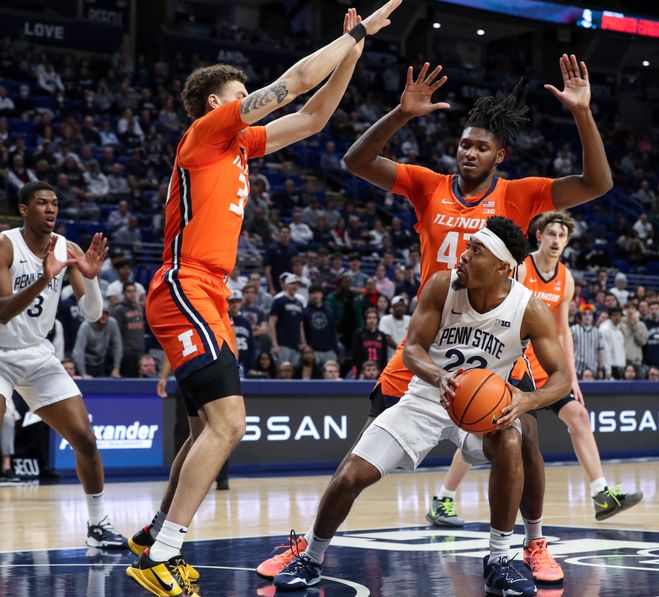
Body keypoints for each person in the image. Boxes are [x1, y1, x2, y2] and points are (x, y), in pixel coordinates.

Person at [258, 52, 613, 577]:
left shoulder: (520, 194)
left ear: (500, 155)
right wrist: (401, 114)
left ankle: (530, 544)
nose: (469, 152)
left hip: (490, 345)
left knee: (526, 436)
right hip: (429, 342)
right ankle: (309, 545)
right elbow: (356, 162)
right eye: (464, 143)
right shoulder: (428, 185)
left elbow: (597, 183)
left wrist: (583, 112)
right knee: (360, 460)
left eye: (481, 147)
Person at [127, 4, 404, 594]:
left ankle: (154, 534)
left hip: (211, 294)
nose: (252, 98)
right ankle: (162, 556)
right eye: (241, 94)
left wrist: (353, 53)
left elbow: (313, 116)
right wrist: (353, 31)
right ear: (216, 105)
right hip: (184, 285)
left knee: (209, 426)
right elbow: (293, 85)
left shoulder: (241, 149)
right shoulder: (204, 136)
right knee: (230, 425)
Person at [273, 217, 569, 595]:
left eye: (475, 252)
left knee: (514, 440)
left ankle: (499, 559)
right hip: (427, 397)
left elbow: (560, 376)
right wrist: (438, 376)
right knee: (350, 475)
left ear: (501, 267)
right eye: (467, 247)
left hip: (484, 404)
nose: (462, 257)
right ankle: (311, 557)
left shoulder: (529, 309)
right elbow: (412, 348)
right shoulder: (442, 286)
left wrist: (528, 399)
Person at [428, 212, 641, 585]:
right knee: (489, 423)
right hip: (511, 365)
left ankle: (600, 493)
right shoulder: (520, 270)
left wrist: (571, 379)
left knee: (578, 417)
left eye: (563, 235)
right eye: (552, 233)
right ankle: (446, 496)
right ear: (539, 236)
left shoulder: (566, 279)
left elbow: (562, 332)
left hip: (548, 369)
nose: (557, 240)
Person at [0, 181, 125, 546]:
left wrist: (91, 277)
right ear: (25, 210)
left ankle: (98, 525)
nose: (51, 209)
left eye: (55, 203)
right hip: (0, 352)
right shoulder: (6, 244)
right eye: (42, 203)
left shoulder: (64, 248)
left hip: (37, 354)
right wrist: (44, 277)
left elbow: (92, 313)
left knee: (84, 438)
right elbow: (3, 312)